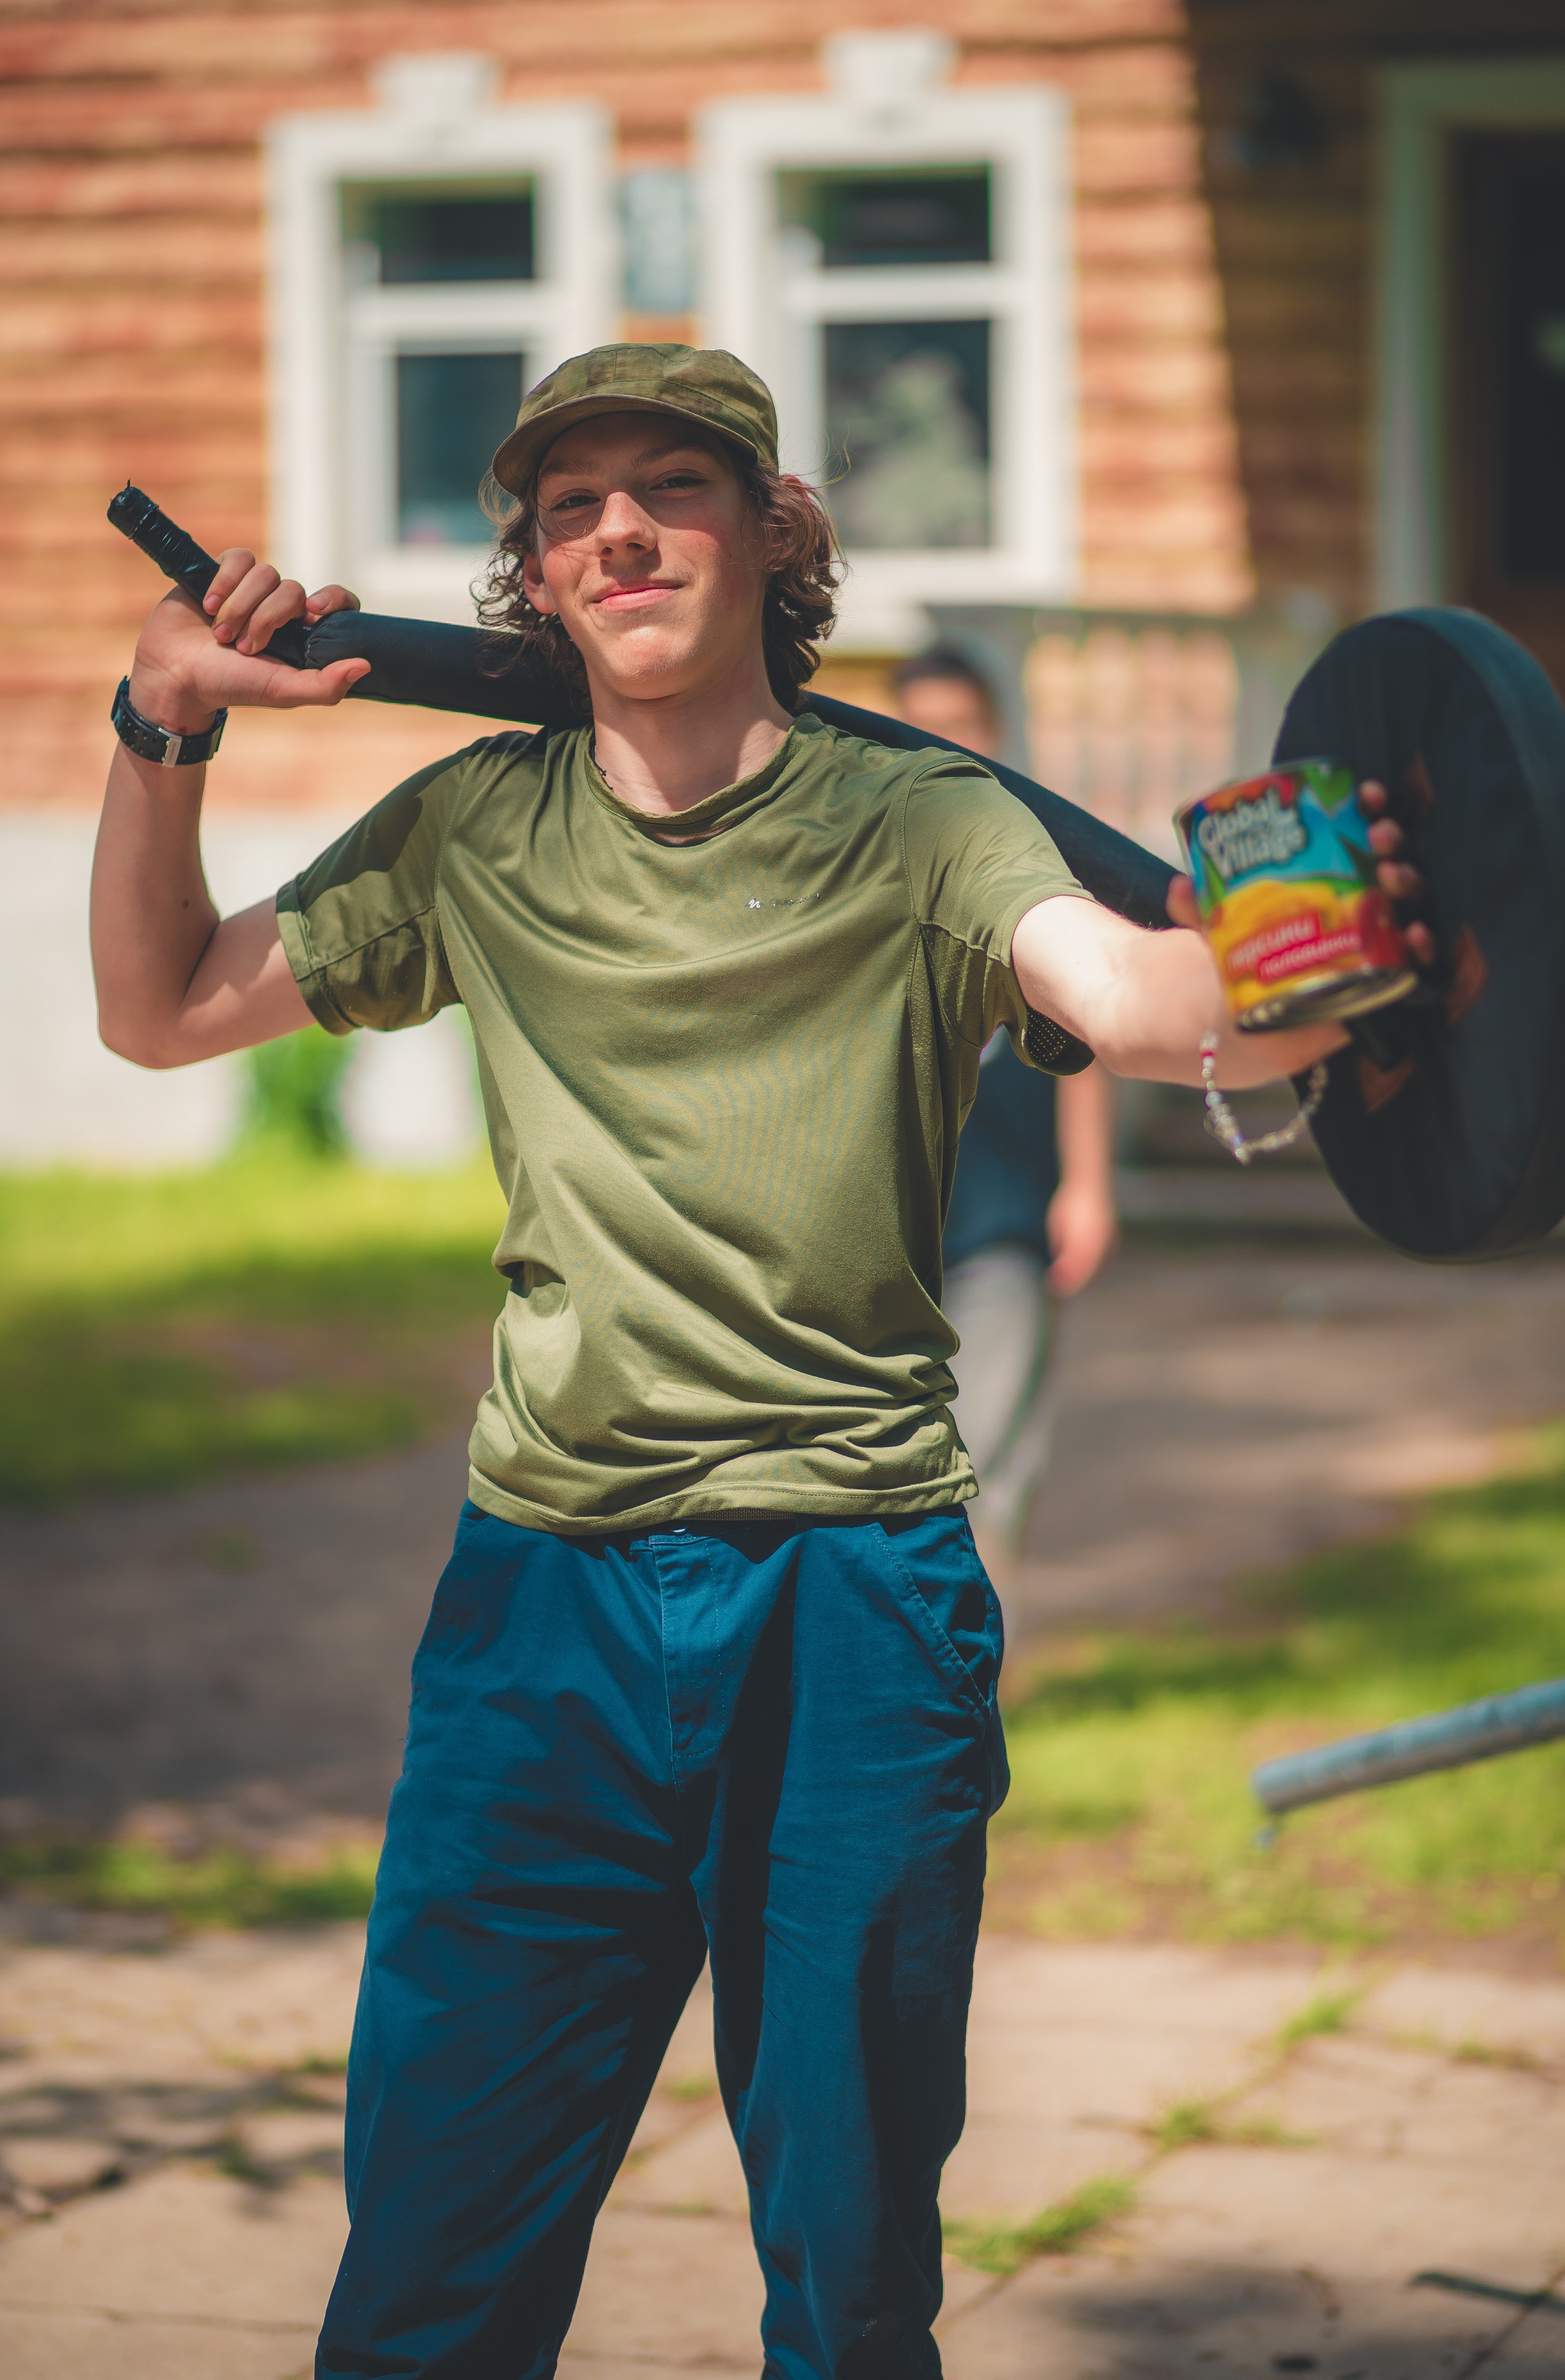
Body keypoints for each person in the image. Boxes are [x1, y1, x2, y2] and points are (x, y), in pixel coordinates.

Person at [89, 344, 1428, 2380]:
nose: (616, 527)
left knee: (852, 2260)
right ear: (534, 574)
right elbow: (163, 1005)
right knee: (433, 2258)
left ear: (773, 528)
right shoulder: (473, 828)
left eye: (672, 485)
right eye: (566, 504)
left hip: (850, 1602)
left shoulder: (921, 821)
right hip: (541, 1617)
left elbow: (1152, 997)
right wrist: (157, 718)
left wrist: (1338, 935)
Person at [893, 649, 1115, 1623]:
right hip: (887, 1219)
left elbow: (1095, 1031)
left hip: (1007, 1209)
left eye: (963, 720)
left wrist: (1090, 1185)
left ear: (994, 728)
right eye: (923, 719)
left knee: (994, 1447)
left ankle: (981, 1669)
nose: (945, 737)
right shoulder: (866, 855)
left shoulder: (1042, 853)